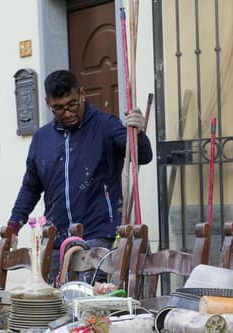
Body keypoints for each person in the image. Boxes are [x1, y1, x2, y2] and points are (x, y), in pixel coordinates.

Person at [8, 70, 152, 278]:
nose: (67, 113)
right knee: (54, 305)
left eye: (72, 104)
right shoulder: (42, 138)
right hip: (56, 241)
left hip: (98, 237)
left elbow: (142, 156)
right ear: (48, 103)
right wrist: (14, 225)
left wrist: (137, 133)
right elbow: (30, 188)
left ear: (82, 94)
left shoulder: (105, 126)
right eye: (58, 108)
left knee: (88, 304)